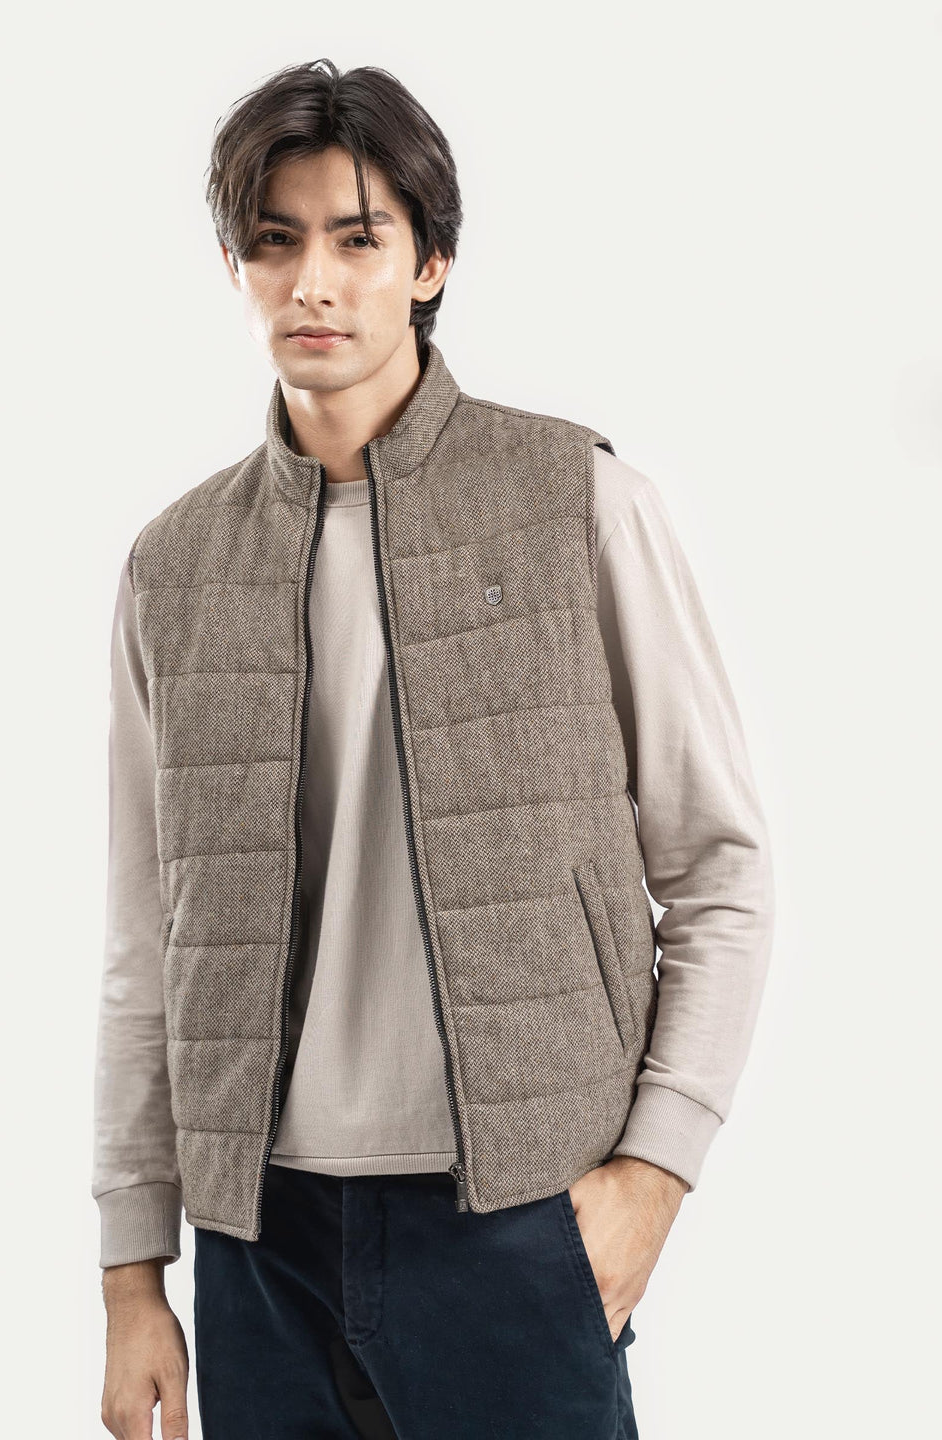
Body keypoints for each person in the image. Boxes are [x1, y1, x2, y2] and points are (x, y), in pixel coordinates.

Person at [92, 57, 775, 1440]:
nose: (313, 284)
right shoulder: (175, 566)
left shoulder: (577, 502)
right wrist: (131, 1270)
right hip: (259, 1238)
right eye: (274, 241)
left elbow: (721, 869)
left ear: (430, 263)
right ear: (235, 267)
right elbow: (144, 941)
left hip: (517, 1216)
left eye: (358, 239)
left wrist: (653, 1176)